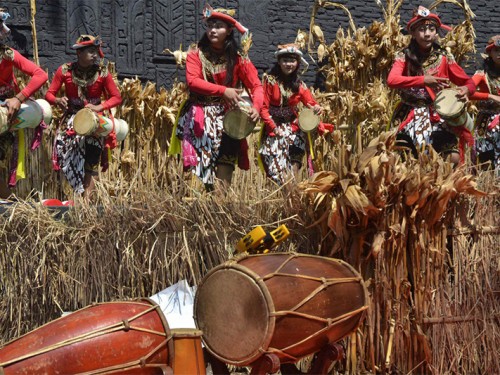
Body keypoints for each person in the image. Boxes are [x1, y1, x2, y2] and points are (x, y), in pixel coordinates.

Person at [171, 4, 263, 190]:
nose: (213, 30)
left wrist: (257, 108)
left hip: (230, 118)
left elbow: (256, 86)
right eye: (210, 25)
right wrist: (223, 91)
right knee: (202, 173)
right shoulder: (196, 54)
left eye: (218, 26)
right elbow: (193, 81)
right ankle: (202, 210)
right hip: (200, 118)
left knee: (225, 167)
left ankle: (220, 210)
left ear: (229, 31)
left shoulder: (239, 58)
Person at [387, 6, 476, 163]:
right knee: (404, 159)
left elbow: (468, 82)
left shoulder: (444, 58)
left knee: (452, 157)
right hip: (409, 112)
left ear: (436, 33)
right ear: (413, 33)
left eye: (431, 29)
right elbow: (392, 80)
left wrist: (465, 89)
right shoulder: (404, 56)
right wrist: (423, 80)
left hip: (437, 114)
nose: (427, 34)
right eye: (421, 29)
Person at [45, 35, 122, 197]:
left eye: (96, 51)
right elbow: (49, 95)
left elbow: (117, 97)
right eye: (91, 51)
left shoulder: (102, 72)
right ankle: (75, 197)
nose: (95, 55)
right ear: (79, 53)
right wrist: (58, 100)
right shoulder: (65, 70)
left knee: (92, 161)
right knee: (65, 157)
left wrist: (99, 107)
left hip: (95, 122)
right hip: (71, 120)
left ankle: (86, 204)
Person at [258, 43, 328, 185]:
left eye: (292, 60)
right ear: (279, 62)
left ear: (297, 63)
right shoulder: (270, 81)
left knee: (293, 172)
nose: (288, 64)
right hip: (274, 131)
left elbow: (311, 102)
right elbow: (263, 108)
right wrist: (273, 126)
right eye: (285, 60)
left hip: (294, 130)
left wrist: (317, 108)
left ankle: (294, 204)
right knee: (280, 176)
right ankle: (290, 203)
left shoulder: (299, 84)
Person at [0, 9, 48, 198]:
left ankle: (10, 204)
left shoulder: (8, 55)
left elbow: (41, 75)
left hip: (5, 113)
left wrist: (19, 98)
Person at [469, 35, 500, 171]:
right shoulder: (482, 74)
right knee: (484, 158)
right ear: (490, 53)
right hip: (486, 121)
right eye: (496, 50)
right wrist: (490, 96)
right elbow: (468, 91)